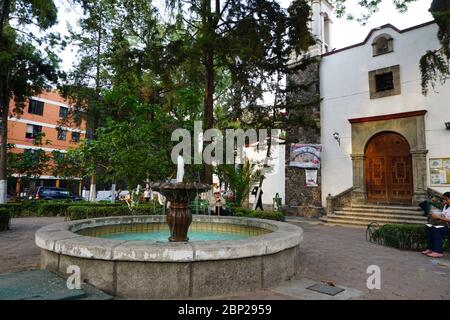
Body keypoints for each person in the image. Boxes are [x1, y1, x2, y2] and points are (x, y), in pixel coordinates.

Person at [422, 192, 450, 258]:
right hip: (445, 224)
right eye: (444, 199)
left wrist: (439, 217)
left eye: (446, 199)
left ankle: (438, 252)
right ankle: (430, 249)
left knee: (435, 229)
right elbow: (443, 215)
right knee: (429, 227)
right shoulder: (446, 206)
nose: (444, 201)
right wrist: (435, 215)